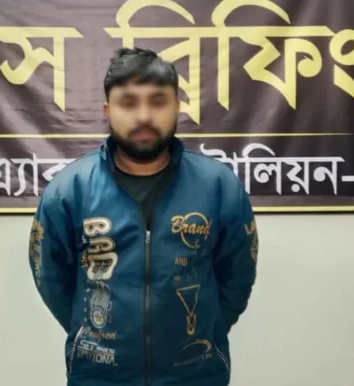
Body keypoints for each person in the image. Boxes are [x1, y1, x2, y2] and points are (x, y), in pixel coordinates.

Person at [28, 47, 259, 386]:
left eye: (158, 101)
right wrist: (94, 333)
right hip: (99, 375)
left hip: (196, 373)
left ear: (177, 106)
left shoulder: (218, 186)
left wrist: (205, 330)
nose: (144, 116)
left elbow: (237, 276)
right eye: (128, 103)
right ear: (107, 110)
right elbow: (51, 278)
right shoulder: (70, 189)